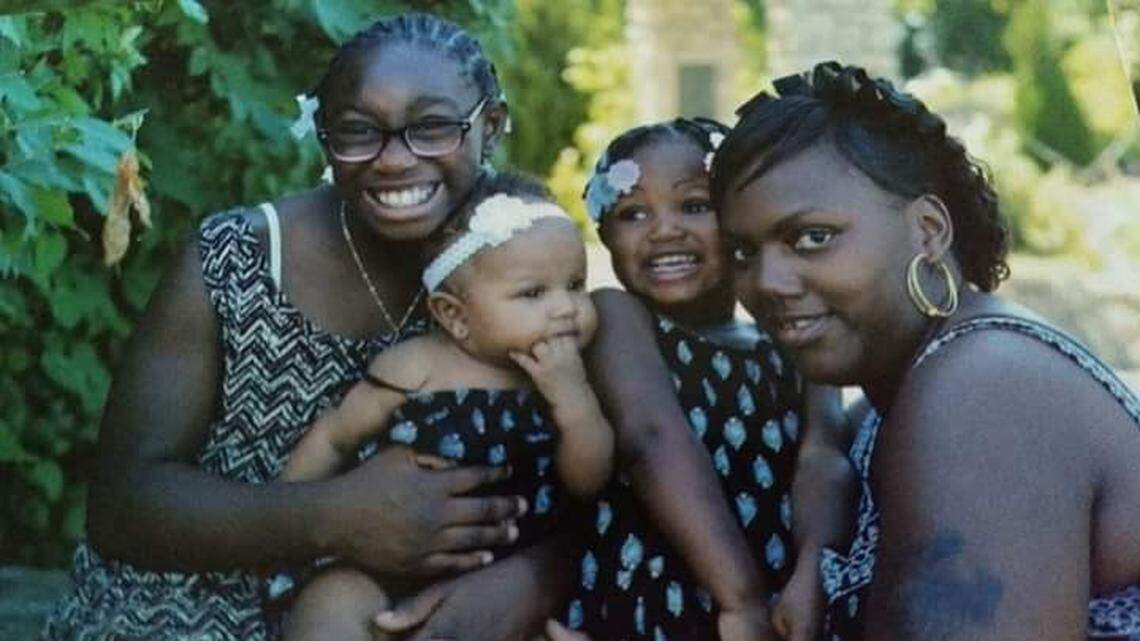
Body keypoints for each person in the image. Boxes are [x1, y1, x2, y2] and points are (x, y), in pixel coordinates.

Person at [42, 13, 570, 641]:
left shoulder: (531, 263)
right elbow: (123, 506)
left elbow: (607, 458)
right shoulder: (235, 258)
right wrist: (337, 518)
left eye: (432, 128)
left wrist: (536, 576)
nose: (395, 160)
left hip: (426, 605)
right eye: (357, 132)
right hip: (194, 606)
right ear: (324, 139)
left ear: (492, 123)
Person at [710, 61, 1140, 641]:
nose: (768, 282)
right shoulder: (880, 412)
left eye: (812, 237)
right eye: (742, 253)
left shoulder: (987, 388)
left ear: (929, 231)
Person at [274, 172, 614, 641]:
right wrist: (291, 512)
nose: (566, 308)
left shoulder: (567, 378)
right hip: (384, 561)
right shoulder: (417, 367)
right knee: (331, 603)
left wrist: (574, 400)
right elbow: (336, 435)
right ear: (454, 316)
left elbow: (588, 480)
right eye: (534, 293)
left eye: (575, 285)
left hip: (509, 575)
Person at [552, 118, 854, 641]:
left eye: (694, 206)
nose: (664, 230)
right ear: (605, 235)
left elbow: (823, 454)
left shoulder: (787, 330)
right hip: (653, 605)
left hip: (780, 605)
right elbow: (650, 437)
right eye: (632, 213)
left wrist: (814, 571)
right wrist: (741, 600)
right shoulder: (619, 318)